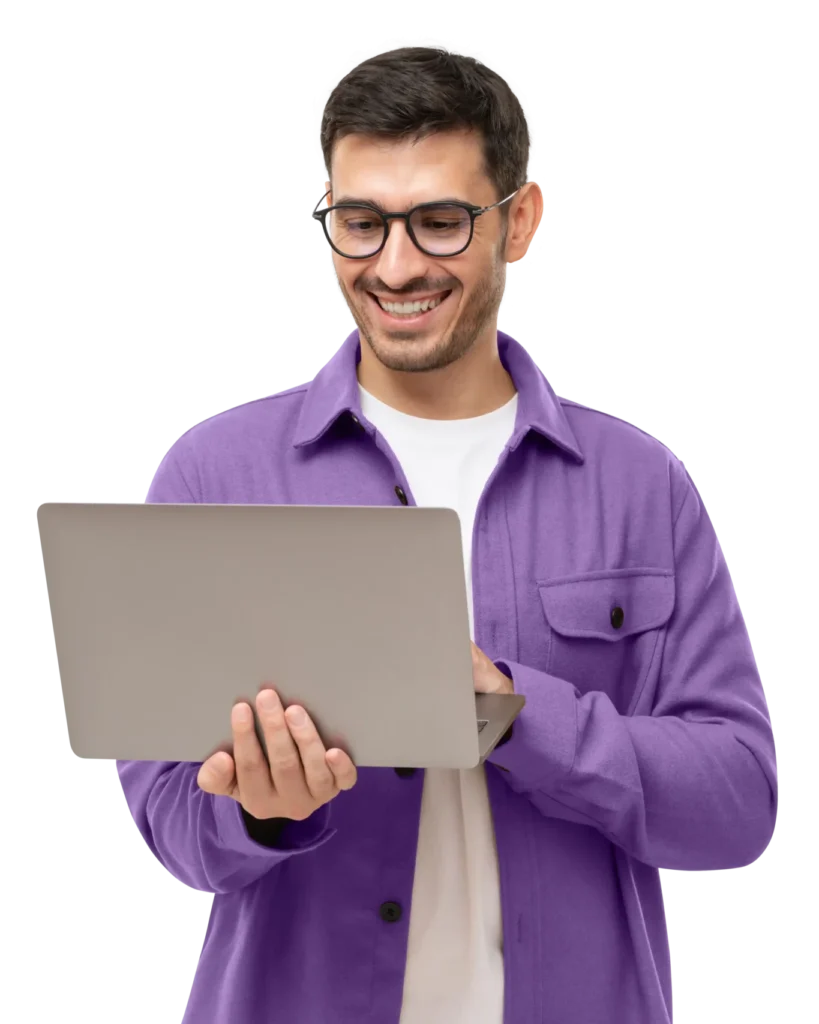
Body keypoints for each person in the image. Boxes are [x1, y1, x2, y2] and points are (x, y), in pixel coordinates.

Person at [116, 43, 778, 1024]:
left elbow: (737, 806)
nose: (395, 265)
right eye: (360, 223)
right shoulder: (212, 475)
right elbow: (170, 826)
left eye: (438, 222)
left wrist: (517, 715)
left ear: (521, 221)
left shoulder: (644, 483)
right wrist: (262, 806)